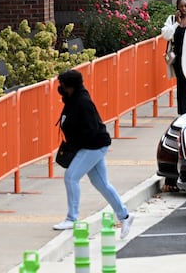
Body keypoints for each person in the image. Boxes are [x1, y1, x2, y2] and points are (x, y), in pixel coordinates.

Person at [52, 69, 134, 239]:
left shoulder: (82, 102)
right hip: (91, 146)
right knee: (102, 184)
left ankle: (72, 218)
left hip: (93, 147)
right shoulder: (73, 99)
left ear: (71, 86)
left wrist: (75, 146)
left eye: (63, 85)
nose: (61, 88)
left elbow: (91, 129)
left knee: (71, 177)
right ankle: (125, 216)